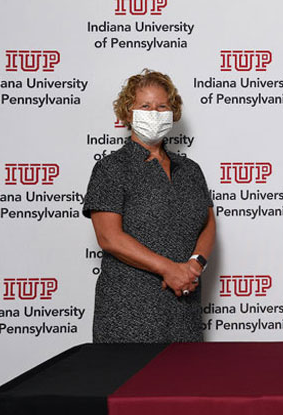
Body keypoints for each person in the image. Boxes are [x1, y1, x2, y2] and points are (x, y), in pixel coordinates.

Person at [83, 69, 215, 343]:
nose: (154, 112)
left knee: (184, 382)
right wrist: (169, 269)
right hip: (128, 310)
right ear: (128, 113)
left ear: (172, 113)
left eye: (162, 106)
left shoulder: (190, 170)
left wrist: (195, 264)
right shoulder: (111, 168)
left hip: (183, 306)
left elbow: (208, 221)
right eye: (145, 106)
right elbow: (109, 237)